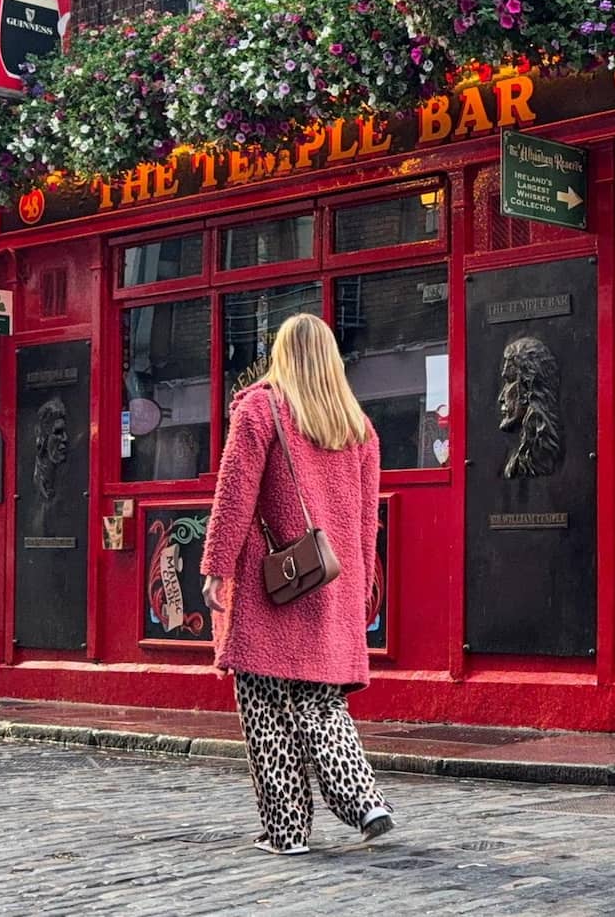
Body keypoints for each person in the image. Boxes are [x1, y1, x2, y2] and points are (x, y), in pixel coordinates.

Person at [199, 313, 393, 856]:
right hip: (331, 583)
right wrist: (359, 588)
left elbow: (234, 495)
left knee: (264, 705)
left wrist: (216, 567)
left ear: (281, 355)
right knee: (322, 703)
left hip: (273, 585)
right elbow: (366, 522)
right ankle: (364, 799)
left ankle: (287, 833)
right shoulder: (358, 427)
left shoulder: (260, 409)